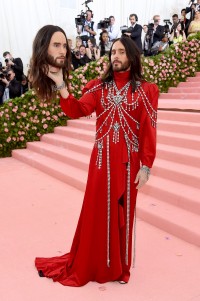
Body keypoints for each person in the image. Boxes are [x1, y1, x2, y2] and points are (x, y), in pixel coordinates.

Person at [30, 25, 159, 287]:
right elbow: (77, 109)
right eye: (112, 51)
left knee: (125, 216)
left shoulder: (147, 90)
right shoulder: (98, 87)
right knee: (98, 214)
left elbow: (149, 130)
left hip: (129, 163)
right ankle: (98, 265)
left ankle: (121, 270)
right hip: (101, 164)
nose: (115, 56)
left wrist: (146, 166)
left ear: (132, 56)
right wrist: (61, 85)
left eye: (121, 51)